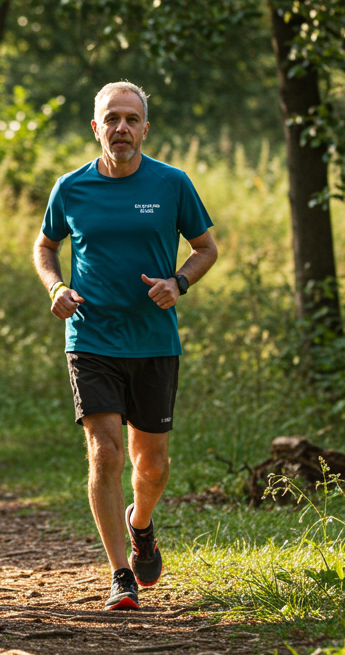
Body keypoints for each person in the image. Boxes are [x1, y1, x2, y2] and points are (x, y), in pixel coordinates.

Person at [32, 81, 218, 610]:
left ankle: (141, 522)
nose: (121, 128)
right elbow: (45, 246)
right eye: (111, 119)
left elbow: (205, 248)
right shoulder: (71, 187)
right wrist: (56, 287)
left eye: (131, 119)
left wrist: (178, 282)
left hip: (154, 340)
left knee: (152, 465)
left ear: (145, 129)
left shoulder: (172, 183)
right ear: (96, 128)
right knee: (105, 451)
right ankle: (120, 574)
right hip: (90, 336)